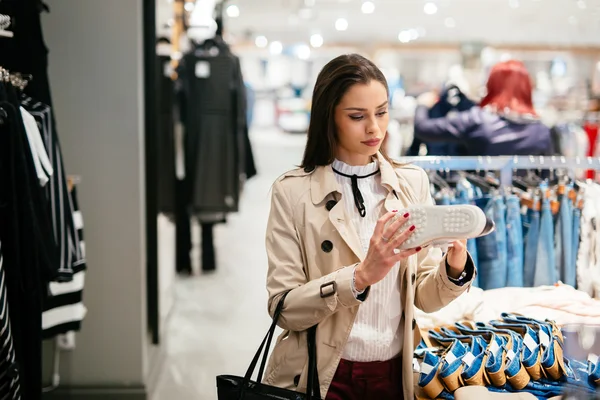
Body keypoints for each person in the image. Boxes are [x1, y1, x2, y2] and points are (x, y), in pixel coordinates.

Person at [262, 53, 476, 400]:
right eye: (357, 116)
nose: (375, 128)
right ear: (328, 118)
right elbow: (283, 308)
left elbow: (422, 295)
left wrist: (454, 269)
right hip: (324, 375)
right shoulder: (293, 192)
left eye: (382, 111)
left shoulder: (411, 183)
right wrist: (359, 277)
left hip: (394, 372)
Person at [413, 60, 553, 156]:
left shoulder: (477, 119)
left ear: (491, 85)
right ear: (527, 88)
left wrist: (422, 105)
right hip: (525, 198)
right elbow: (548, 176)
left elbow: (424, 129)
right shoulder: (541, 131)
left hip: (481, 197)